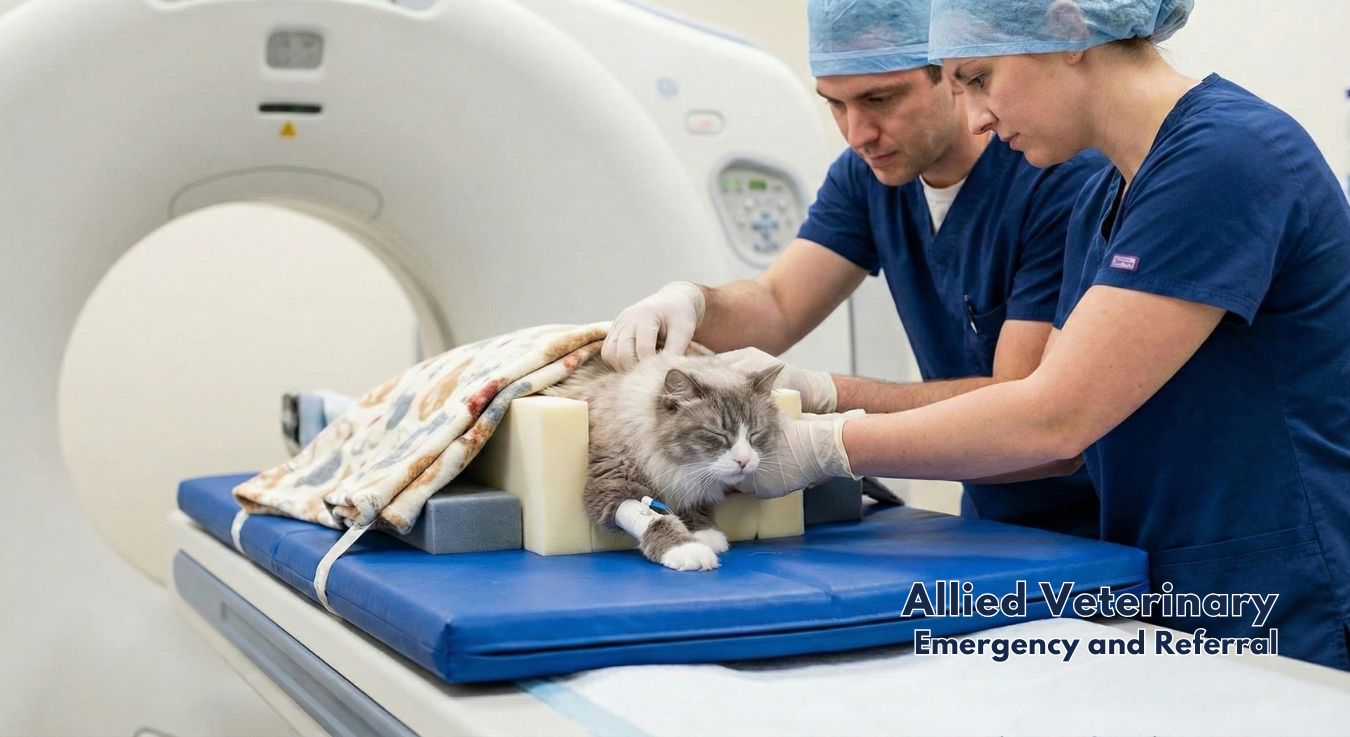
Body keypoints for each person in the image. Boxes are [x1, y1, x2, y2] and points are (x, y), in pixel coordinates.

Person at [733, 0, 1350, 670]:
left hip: (1287, 584)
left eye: (980, 77)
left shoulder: (1227, 157)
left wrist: (825, 442)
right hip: (1175, 573)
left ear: (1067, 29)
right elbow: (1048, 429)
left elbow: (1054, 418)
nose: (974, 116)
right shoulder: (1106, 197)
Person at [604, 0, 1106, 538]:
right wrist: (693, 301)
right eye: (836, 105)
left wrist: (829, 399)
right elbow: (777, 304)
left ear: (955, 75)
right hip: (989, 516)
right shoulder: (868, 176)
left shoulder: (1056, 178)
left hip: (1095, 516)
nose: (857, 133)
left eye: (880, 99)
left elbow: (1023, 398)